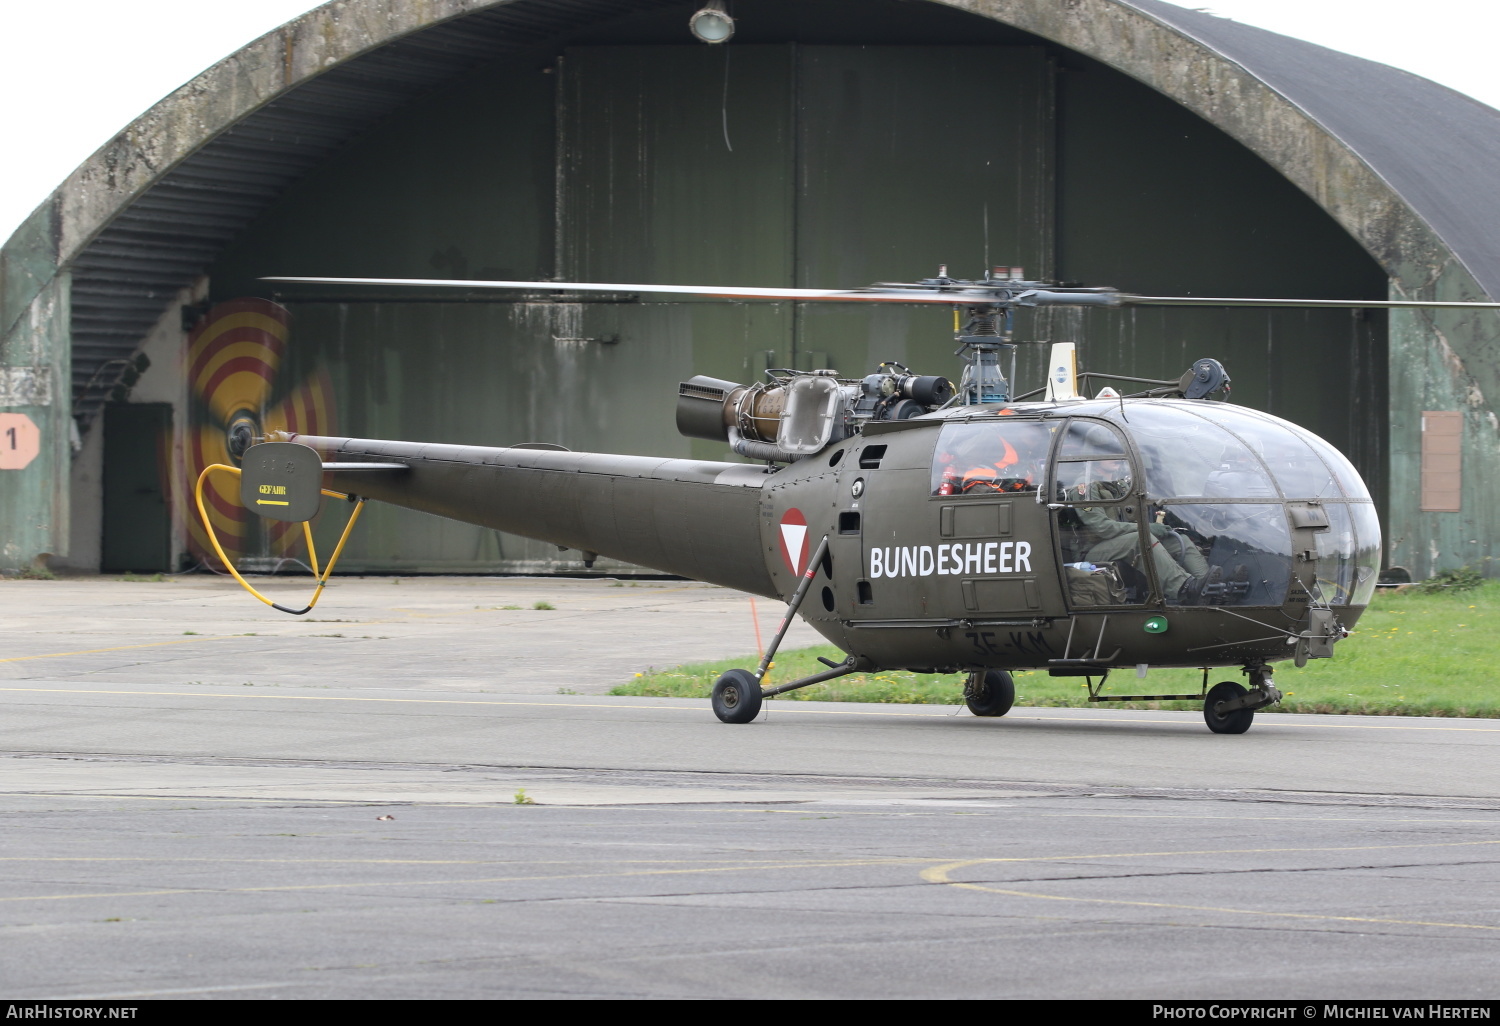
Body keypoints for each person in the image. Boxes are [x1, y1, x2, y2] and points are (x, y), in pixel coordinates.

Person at [1074, 452, 1215, 603]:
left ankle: (1209, 588)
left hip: (1121, 544)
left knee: (1180, 541)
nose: (1115, 458)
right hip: (1093, 550)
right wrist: (1146, 529)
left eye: (1116, 453)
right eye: (1107, 454)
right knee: (1139, 539)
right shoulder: (1085, 485)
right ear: (1094, 457)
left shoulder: (1120, 484)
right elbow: (1102, 528)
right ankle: (1185, 588)